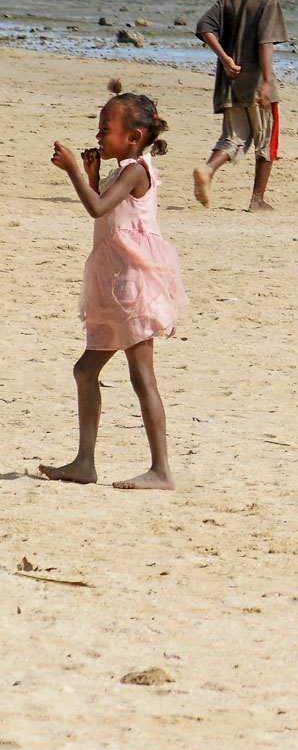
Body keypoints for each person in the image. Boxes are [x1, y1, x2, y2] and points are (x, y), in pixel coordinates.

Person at [40, 84, 187, 490]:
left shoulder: (135, 169)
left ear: (134, 138)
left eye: (106, 129)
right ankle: (84, 462)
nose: (98, 136)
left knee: (142, 377)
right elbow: (104, 207)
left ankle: (161, 470)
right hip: (113, 282)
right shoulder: (121, 170)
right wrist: (89, 175)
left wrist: (73, 169)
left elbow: (98, 208)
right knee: (85, 370)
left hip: (134, 283)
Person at [192, 0, 286, 212]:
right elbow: (265, 43)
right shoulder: (269, 0)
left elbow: (204, 27)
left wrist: (225, 58)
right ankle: (257, 199)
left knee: (233, 138)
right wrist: (267, 82)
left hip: (230, 82)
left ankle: (208, 169)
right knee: (266, 141)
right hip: (257, 83)